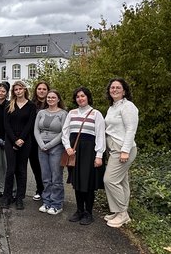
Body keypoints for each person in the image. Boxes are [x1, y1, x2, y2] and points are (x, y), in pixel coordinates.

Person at [62, 87, 106, 225]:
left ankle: (88, 213)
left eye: (83, 96)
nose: (80, 99)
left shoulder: (96, 114)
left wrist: (99, 155)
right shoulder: (71, 113)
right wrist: (68, 147)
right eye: (78, 97)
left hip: (89, 151)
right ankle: (79, 210)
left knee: (88, 183)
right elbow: (65, 132)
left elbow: (100, 135)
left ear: (88, 97)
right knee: (77, 182)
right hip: (74, 152)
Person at [103, 78, 139, 228]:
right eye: (112, 87)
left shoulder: (128, 106)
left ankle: (123, 213)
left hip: (123, 149)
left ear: (124, 91)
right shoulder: (112, 107)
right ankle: (119, 212)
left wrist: (125, 151)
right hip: (114, 148)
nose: (115, 90)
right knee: (122, 181)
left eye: (118, 87)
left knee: (109, 180)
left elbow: (131, 129)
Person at [0, 81, 37, 210]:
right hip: (10, 140)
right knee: (10, 170)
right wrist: (15, 140)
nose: (18, 91)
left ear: (24, 90)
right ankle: (7, 197)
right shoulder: (9, 105)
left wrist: (21, 139)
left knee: (22, 170)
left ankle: (20, 198)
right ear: (13, 92)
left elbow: (30, 124)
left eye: (20, 89)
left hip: (25, 140)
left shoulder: (31, 106)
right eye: (16, 90)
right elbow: (6, 124)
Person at [34, 90, 68, 215]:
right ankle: (46, 201)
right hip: (41, 147)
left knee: (56, 177)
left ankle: (56, 204)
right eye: (49, 97)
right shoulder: (41, 113)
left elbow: (63, 132)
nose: (50, 99)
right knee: (45, 176)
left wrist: (49, 145)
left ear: (58, 99)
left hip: (56, 147)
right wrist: (41, 144)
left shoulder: (63, 114)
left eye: (53, 97)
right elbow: (36, 130)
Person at [29, 81, 49, 201]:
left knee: (48, 167)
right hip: (33, 140)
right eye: (39, 89)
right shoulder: (31, 105)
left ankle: (49, 190)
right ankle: (40, 189)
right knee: (36, 166)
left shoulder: (52, 103)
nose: (41, 91)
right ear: (36, 91)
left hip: (47, 140)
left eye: (44, 89)